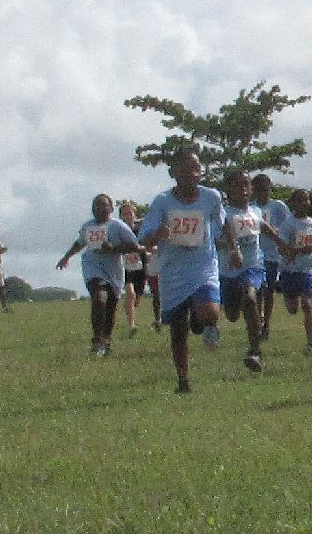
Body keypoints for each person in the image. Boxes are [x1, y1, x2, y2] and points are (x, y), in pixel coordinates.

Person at [137, 150, 229, 394]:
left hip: (203, 267)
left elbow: (223, 226)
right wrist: (159, 235)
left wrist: (235, 249)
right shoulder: (162, 202)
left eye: (196, 169)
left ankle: (202, 323)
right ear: (173, 173)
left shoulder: (211, 197)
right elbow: (144, 239)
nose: (192, 174)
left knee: (209, 313)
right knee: (178, 330)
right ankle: (183, 379)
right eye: (186, 169)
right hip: (173, 272)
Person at [56, 194, 142, 356]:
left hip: (114, 272)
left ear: (110, 208)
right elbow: (80, 243)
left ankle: (106, 341)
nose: (100, 209)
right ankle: (97, 340)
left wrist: (113, 248)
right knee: (99, 298)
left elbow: (134, 246)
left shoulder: (118, 226)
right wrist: (66, 257)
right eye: (96, 206)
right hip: (93, 269)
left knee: (110, 308)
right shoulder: (88, 226)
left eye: (103, 205)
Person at [220, 171, 283, 372]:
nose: (243, 190)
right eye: (238, 186)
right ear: (229, 190)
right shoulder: (224, 213)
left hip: (253, 265)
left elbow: (267, 229)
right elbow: (220, 236)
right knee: (231, 314)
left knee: (250, 298)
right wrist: (232, 249)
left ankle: (254, 351)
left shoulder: (255, 211)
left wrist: (285, 246)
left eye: (246, 185)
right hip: (228, 271)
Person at [278, 189, 312, 354]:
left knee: (308, 305)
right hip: (290, 271)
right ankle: (288, 296)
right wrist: (299, 250)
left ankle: (311, 344)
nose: (304, 203)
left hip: (307, 271)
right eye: (300, 200)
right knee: (292, 309)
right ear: (293, 203)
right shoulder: (288, 224)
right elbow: (282, 249)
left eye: (307, 200)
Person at [252, 175, 293, 340]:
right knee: (256, 290)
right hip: (255, 254)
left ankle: (266, 322)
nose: (263, 192)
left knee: (268, 289)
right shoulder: (251, 207)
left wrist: (280, 236)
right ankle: (258, 319)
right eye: (259, 188)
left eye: (266, 188)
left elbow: (289, 226)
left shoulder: (278, 206)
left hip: (272, 254)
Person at [119, 201, 148, 337]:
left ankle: (134, 303)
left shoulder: (140, 229)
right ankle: (132, 325)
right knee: (130, 293)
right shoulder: (118, 230)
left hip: (140, 267)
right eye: (124, 213)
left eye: (130, 213)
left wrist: (149, 249)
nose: (128, 216)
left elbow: (147, 243)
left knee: (137, 297)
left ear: (134, 215)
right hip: (124, 267)